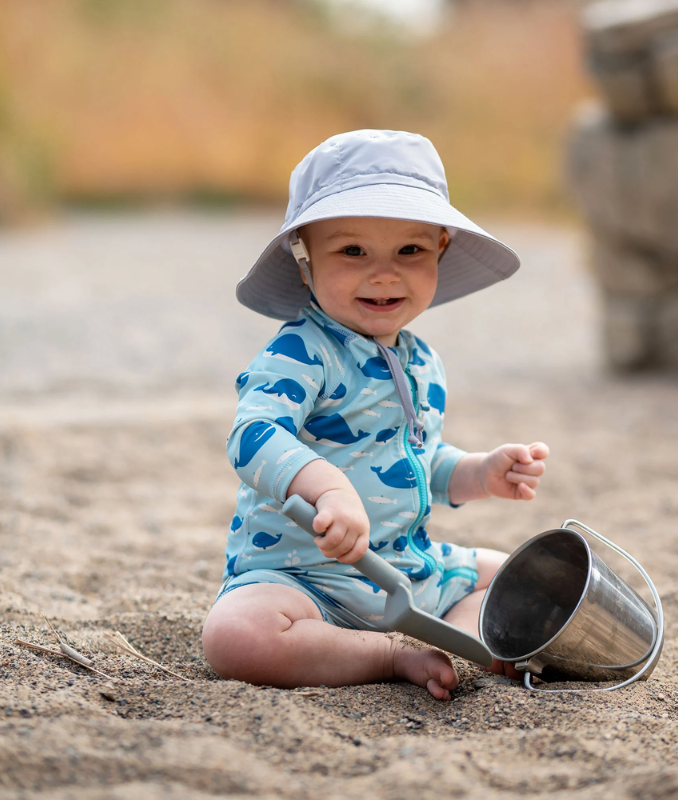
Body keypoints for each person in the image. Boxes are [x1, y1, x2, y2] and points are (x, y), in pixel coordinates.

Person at [202, 130, 549, 700]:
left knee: (517, 575)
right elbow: (253, 436)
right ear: (305, 259)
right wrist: (329, 489)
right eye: (352, 251)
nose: (384, 274)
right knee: (236, 636)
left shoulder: (423, 362)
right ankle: (392, 653)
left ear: (441, 248)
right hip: (305, 578)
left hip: (406, 571)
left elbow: (417, 458)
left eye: (409, 251)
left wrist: (481, 471)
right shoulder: (301, 352)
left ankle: (459, 644)